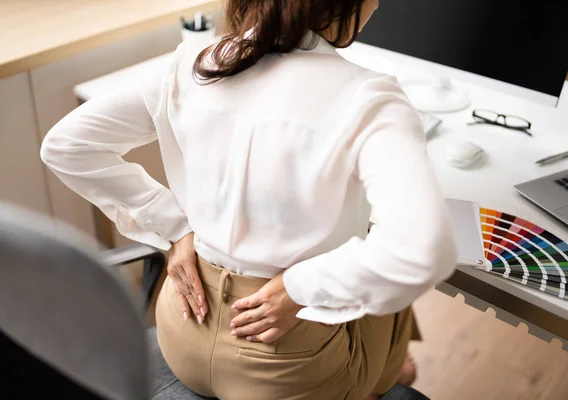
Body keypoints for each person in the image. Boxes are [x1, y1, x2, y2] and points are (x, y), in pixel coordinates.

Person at [40, 0, 458, 398]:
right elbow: (422, 252)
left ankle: (389, 366)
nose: (379, 5)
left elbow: (65, 146)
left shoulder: (192, 62)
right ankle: (383, 378)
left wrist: (175, 227)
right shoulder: (370, 97)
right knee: (377, 259)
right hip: (286, 367)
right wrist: (298, 289)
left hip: (184, 327)